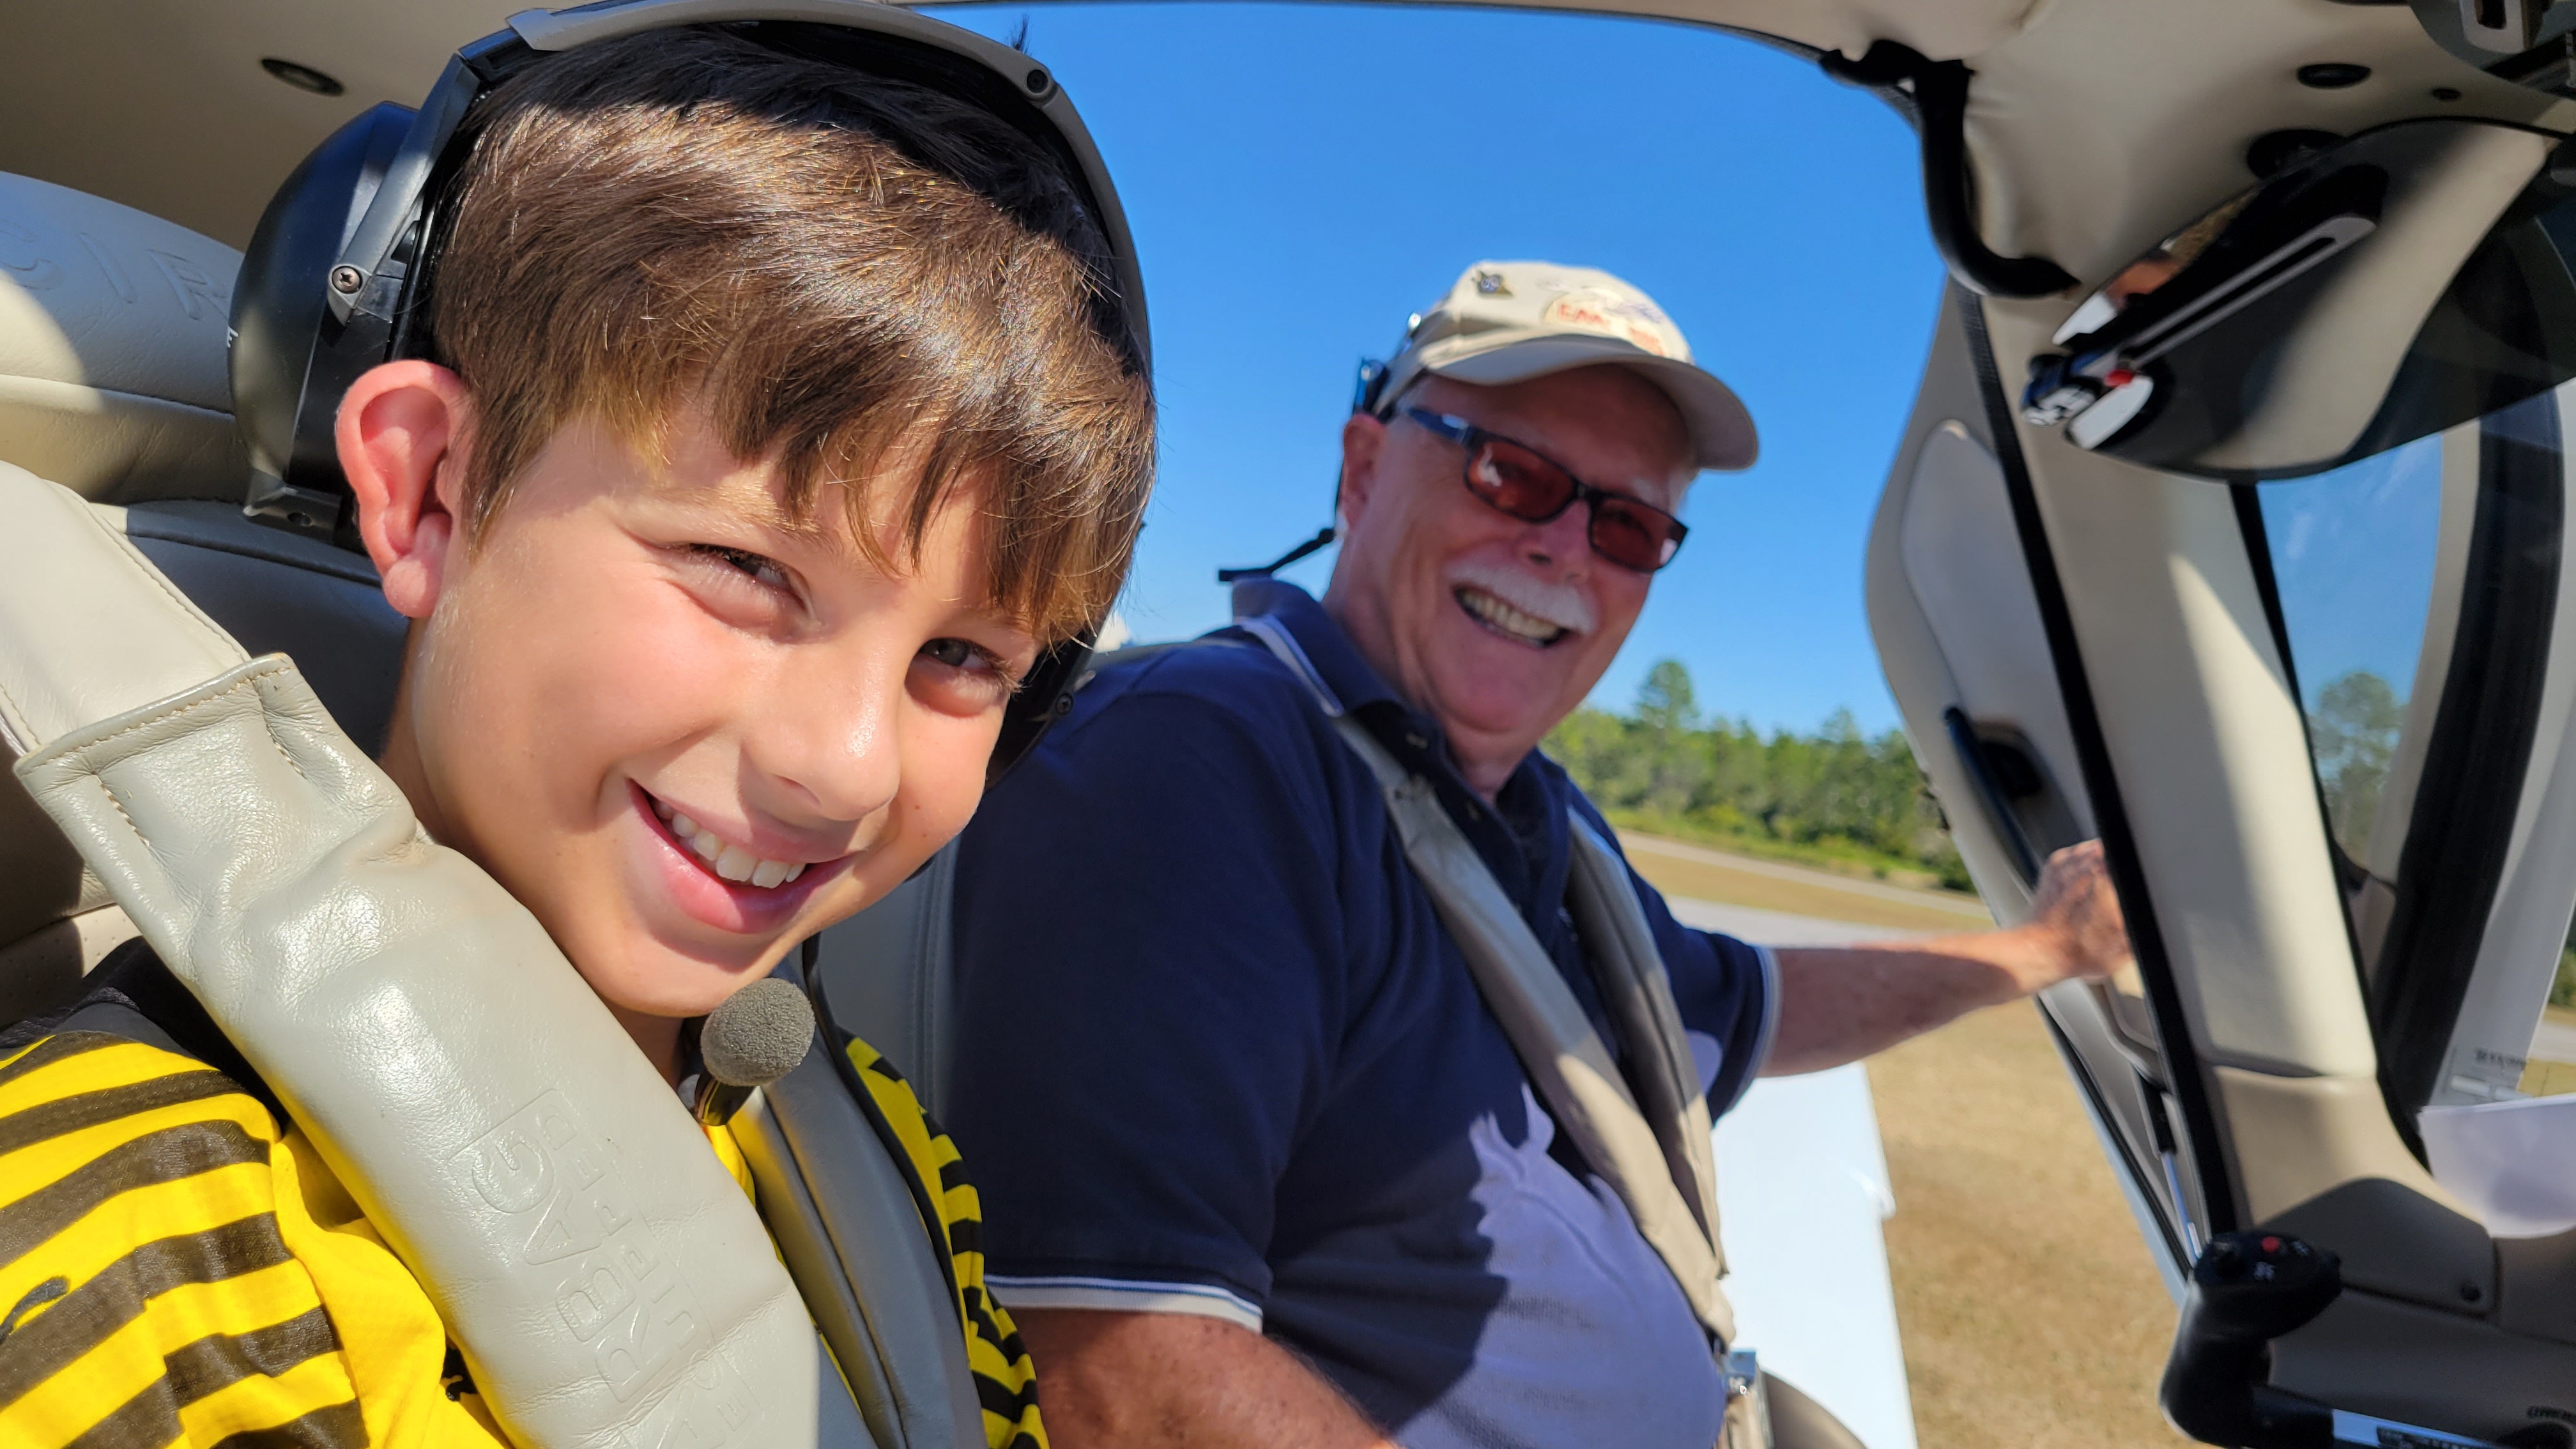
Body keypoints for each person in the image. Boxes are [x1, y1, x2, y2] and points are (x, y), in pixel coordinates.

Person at [0, 22, 1150, 1448]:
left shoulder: (890, 1152)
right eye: (745, 569)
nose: (848, 764)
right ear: (429, 490)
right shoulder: (131, 1250)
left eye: (964, 658)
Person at [942, 261, 2129, 1449]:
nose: (1567, 550)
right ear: (1363, 472)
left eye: (1629, 525)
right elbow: (1118, 1377)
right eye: (1512, 474)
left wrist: (2041, 949)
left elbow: (1752, 1004)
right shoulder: (1203, 760)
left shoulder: (1547, 827)